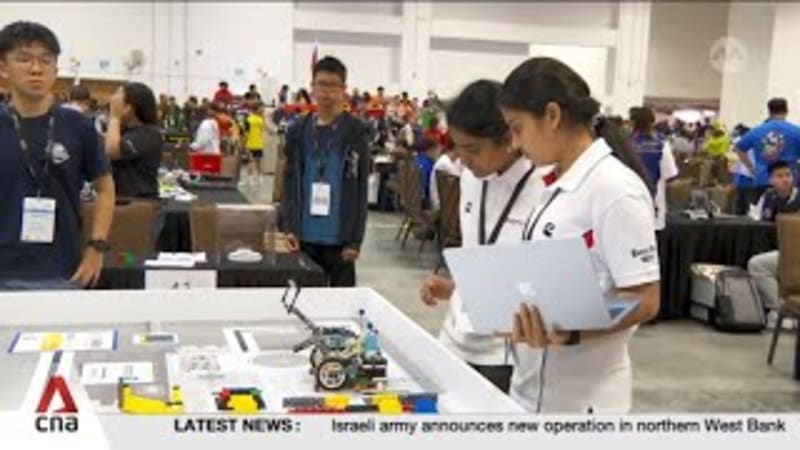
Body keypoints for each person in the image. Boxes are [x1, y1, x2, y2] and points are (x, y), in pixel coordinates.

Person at [498, 57, 660, 413]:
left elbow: (643, 299)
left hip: (583, 403)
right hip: (532, 389)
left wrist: (573, 330)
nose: (513, 143)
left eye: (517, 127)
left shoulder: (615, 190)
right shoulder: (556, 183)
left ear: (552, 116)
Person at [420, 80, 545, 392]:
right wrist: (457, 288)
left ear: (508, 138)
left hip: (504, 352)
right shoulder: (471, 179)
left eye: (473, 149)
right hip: (454, 339)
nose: (463, 160)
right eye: (457, 148)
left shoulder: (543, 189)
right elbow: (478, 249)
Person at [0, 21, 115, 289]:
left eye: (46, 60)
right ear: (3, 67)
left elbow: (106, 189)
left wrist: (96, 248)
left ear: (55, 68)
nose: (36, 69)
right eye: (24, 59)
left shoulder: (78, 125)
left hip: (63, 270)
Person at [279, 56, 370, 287]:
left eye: (333, 86)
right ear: (312, 88)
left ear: (343, 90)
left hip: (340, 238)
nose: (326, 92)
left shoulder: (355, 131)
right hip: (303, 236)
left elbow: (360, 187)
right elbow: (289, 182)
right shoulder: (298, 130)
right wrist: (288, 226)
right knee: (304, 302)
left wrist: (355, 240)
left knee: (341, 307)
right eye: (321, 84)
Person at [735, 98, 800, 207]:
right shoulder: (796, 131)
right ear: (787, 111)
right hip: (789, 181)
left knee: (762, 218)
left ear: (769, 112)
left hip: (763, 179)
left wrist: (751, 168)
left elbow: (739, 148)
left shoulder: (757, 130)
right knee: (789, 217)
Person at [103, 82, 162, 199]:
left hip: (138, 204)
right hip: (119, 199)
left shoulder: (149, 134)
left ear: (129, 108)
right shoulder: (123, 131)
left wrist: (115, 117)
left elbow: (112, 151)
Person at [629, 106, 678, 231]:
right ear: (652, 122)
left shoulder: (624, 144)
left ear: (632, 122)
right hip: (654, 206)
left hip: (627, 204)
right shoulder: (661, 145)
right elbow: (670, 175)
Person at [242, 102, 266, 186]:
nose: (262, 110)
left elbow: (245, 132)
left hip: (251, 144)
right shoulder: (260, 120)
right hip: (257, 144)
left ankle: (250, 179)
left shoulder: (249, 119)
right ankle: (258, 178)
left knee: (251, 162)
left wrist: (244, 142)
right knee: (257, 162)